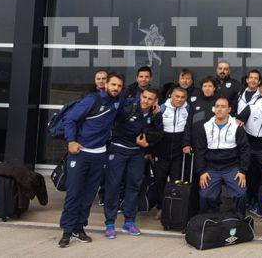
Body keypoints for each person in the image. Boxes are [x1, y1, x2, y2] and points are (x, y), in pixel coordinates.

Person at [58, 73, 126, 248]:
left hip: (99, 155)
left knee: (89, 195)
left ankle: (79, 228)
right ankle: (67, 231)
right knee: (74, 193)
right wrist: (71, 141)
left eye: (119, 86)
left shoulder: (118, 102)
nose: (116, 88)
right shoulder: (91, 100)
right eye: (113, 84)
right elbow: (70, 119)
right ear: (106, 84)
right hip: (80, 152)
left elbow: (137, 107)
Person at [103, 87, 162, 239]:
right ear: (140, 96)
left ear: (155, 101)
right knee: (114, 185)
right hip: (118, 150)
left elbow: (158, 134)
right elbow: (111, 121)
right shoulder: (128, 108)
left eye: (150, 99)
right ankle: (110, 223)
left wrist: (146, 145)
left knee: (134, 186)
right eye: (144, 97)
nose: (146, 101)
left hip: (137, 153)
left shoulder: (155, 114)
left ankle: (129, 221)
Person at [195, 97, 250, 215]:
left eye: (223, 106)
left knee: (241, 193)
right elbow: (200, 151)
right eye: (217, 106)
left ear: (229, 109)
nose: (219, 109)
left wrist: (242, 171)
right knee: (205, 196)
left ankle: (240, 220)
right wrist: (202, 172)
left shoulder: (237, 126)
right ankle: (212, 217)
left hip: (232, 167)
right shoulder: (206, 126)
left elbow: (245, 150)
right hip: (211, 168)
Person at [153, 87, 191, 219]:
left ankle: (172, 208)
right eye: (177, 96)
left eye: (182, 97)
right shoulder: (161, 108)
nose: (179, 99)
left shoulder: (188, 109)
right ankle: (161, 207)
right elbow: (154, 129)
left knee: (176, 181)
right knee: (160, 181)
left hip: (178, 151)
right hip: (162, 150)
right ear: (171, 96)